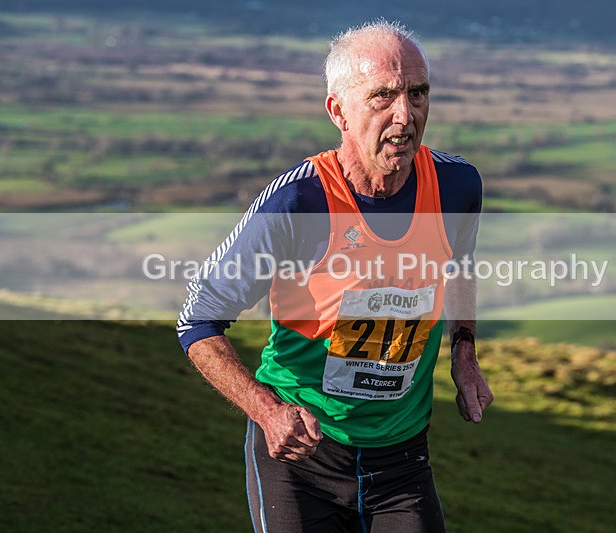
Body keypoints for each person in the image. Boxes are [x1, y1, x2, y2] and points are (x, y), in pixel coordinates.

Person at [177, 19, 492, 532]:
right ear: (338, 111)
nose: (405, 114)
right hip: (303, 460)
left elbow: (457, 264)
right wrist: (267, 411)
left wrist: (464, 352)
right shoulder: (298, 202)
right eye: (382, 96)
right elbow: (197, 321)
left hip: (402, 458)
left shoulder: (457, 187)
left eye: (417, 93)